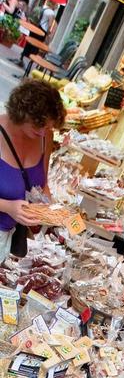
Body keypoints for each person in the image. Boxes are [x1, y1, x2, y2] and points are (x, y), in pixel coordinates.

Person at [0, 80, 66, 263]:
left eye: (49, 127)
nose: (44, 133)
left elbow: (42, 184)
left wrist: (49, 209)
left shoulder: (45, 138)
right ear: (21, 115)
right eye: (39, 126)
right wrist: (8, 207)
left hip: (7, 237)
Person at [19, 0, 56, 67]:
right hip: (42, 31)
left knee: (29, 43)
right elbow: (50, 25)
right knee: (36, 46)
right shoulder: (51, 13)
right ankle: (30, 62)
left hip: (34, 27)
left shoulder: (42, 7)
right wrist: (48, 33)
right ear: (54, 4)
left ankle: (22, 57)